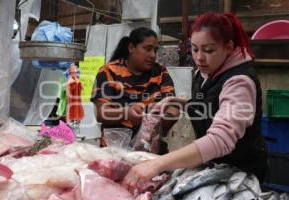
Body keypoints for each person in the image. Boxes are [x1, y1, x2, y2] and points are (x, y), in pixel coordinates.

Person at [123, 12, 268, 190]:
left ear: (229, 47)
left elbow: (221, 140)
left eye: (209, 50)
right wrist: (177, 102)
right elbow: (210, 104)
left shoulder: (239, 83)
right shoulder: (206, 71)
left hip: (240, 174)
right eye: (194, 48)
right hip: (213, 167)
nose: (199, 57)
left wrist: (158, 164)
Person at [90, 27, 179, 152]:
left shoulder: (160, 72)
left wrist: (161, 116)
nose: (153, 55)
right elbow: (101, 113)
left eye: (155, 50)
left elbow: (172, 106)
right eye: (147, 49)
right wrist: (127, 113)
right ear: (131, 48)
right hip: (115, 151)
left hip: (151, 151)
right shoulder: (109, 72)